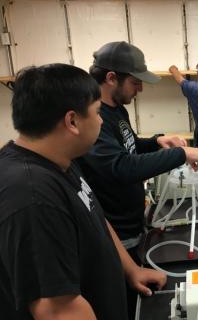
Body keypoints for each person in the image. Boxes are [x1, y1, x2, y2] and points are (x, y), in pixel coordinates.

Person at [0, 64, 166, 320]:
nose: (101, 120)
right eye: (97, 112)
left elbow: (95, 215)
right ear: (72, 121)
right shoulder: (31, 196)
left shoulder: (60, 161)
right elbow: (57, 310)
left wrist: (132, 270)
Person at [78, 41, 198, 318]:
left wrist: (156, 141)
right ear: (111, 78)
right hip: (116, 236)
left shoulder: (117, 110)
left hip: (134, 226)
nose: (141, 88)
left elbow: (128, 147)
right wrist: (182, 153)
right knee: (128, 306)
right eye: (136, 82)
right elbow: (121, 167)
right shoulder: (95, 117)